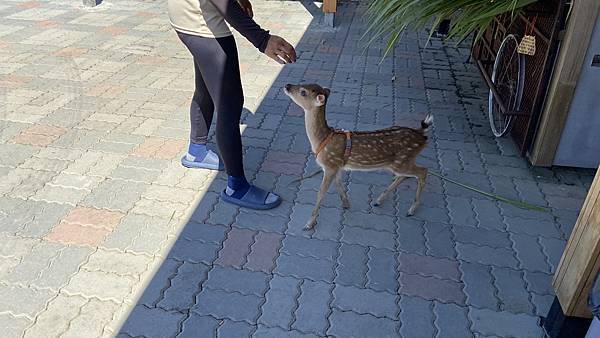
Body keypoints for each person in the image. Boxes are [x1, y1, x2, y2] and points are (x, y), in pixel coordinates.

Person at [168, 0, 297, 210]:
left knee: (205, 87)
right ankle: (236, 187)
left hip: (184, 16)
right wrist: (262, 39)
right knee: (230, 103)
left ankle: (196, 151)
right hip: (202, 25)